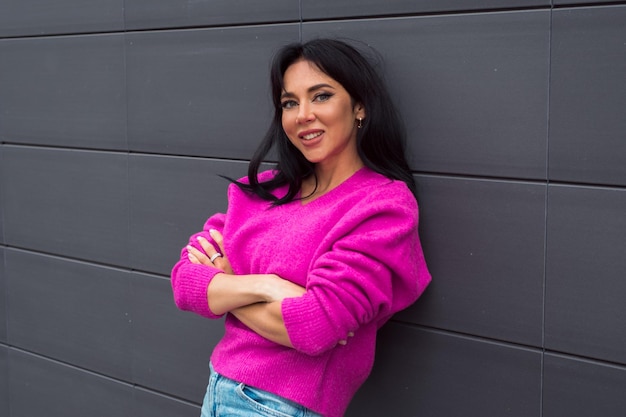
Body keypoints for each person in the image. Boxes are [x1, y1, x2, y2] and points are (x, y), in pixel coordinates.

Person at [171, 38, 431, 417]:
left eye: (321, 96)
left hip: (280, 407)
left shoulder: (381, 206)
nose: (302, 115)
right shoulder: (266, 190)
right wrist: (267, 286)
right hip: (218, 389)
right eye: (290, 103)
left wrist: (227, 282)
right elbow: (185, 283)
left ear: (359, 106)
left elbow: (316, 326)